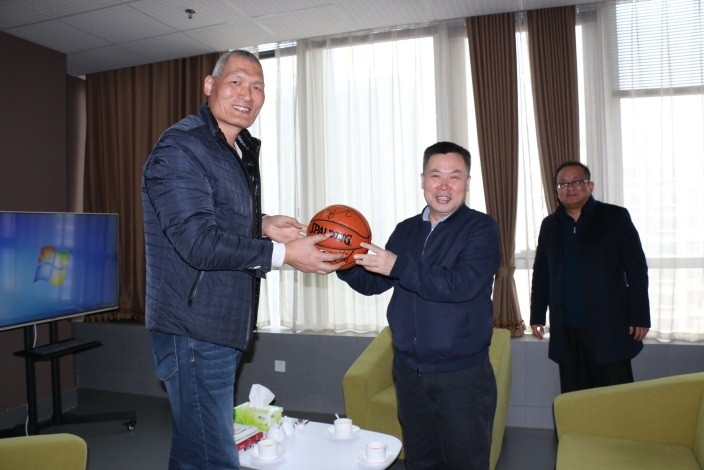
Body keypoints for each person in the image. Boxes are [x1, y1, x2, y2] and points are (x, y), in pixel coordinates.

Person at [141, 50, 343, 470]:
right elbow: (197, 241)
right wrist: (285, 254)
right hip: (192, 331)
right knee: (216, 456)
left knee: (194, 449)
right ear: (209, 85)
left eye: (257, 87)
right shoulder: (182, 146)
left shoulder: (235, 147)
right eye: (235, 82)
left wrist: (262, 224)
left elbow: (214, 213)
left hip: (219, 327)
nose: (247, 95)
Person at [338, 141, 500, 469]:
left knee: (466, 462)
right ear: (422, 179)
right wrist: (341, 261)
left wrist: (398, 265)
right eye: (435, 175)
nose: (444, 186)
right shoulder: (406, 229)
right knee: (420, 459)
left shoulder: (482, 228)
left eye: (454, 176)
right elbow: (374, 283)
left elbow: (462, 284)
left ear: (468, 182)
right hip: (409, 371)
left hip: (462, 375)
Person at [530, 161, 650, 394]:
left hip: (609, 328)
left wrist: (640, 315)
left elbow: (637, 271)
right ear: (556, 191)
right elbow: (541, 274)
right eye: (563, 184)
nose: (570, 188)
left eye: (576, 181)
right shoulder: (550, 226)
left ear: (590, 185)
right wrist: (537, 315)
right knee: (574, 400)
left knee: (615, 399)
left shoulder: (614, 217)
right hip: (567, 331)